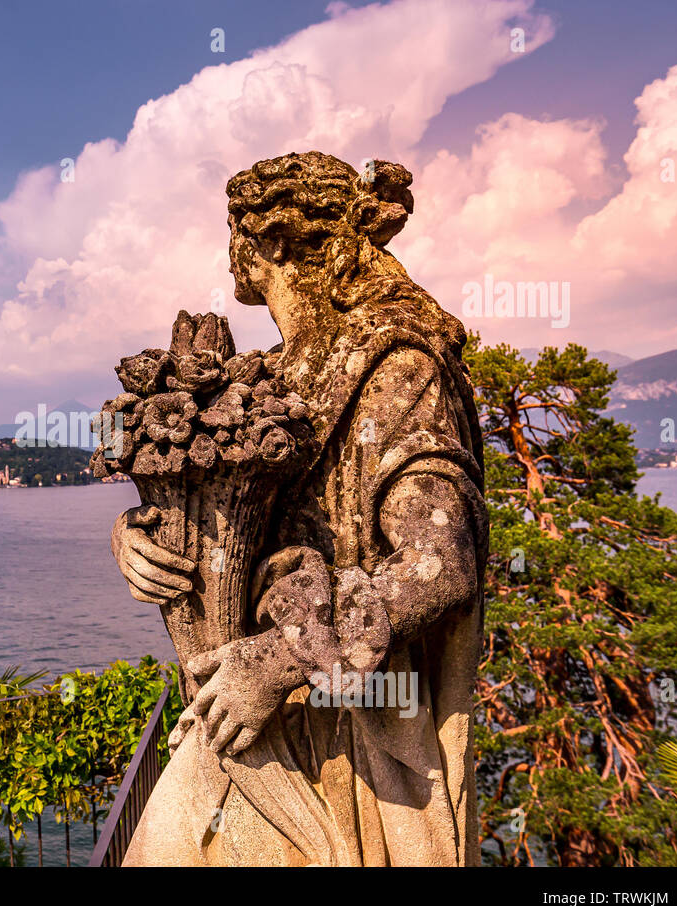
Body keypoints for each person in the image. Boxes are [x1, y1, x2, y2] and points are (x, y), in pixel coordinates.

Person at [113, 152, 488, 866]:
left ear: (272, 240)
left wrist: (278, 660)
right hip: (245, 715)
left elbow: (441, 568)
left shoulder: (396, 366)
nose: (228, 252)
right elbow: (229, 530)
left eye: (233, 230)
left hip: (342, 733)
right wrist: (134, 536)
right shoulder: (276, 379)